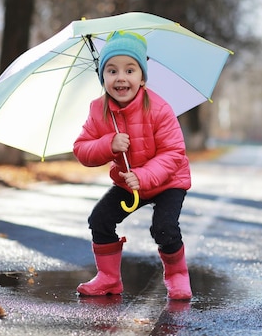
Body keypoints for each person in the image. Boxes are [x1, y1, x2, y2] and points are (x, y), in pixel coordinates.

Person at [73, 30, 192, 300]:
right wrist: (108, 144)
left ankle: (177, 275)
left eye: (130, 70)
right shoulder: (98, 110)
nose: (121, 78)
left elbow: (174, 153)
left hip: (168, 181)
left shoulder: (159, 108)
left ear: (142, 77)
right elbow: (81, 150)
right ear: (103, 77)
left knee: (163, 227)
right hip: (129, 180)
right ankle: (108, 278)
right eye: (112, 71)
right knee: (100, 219)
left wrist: (145, 175)